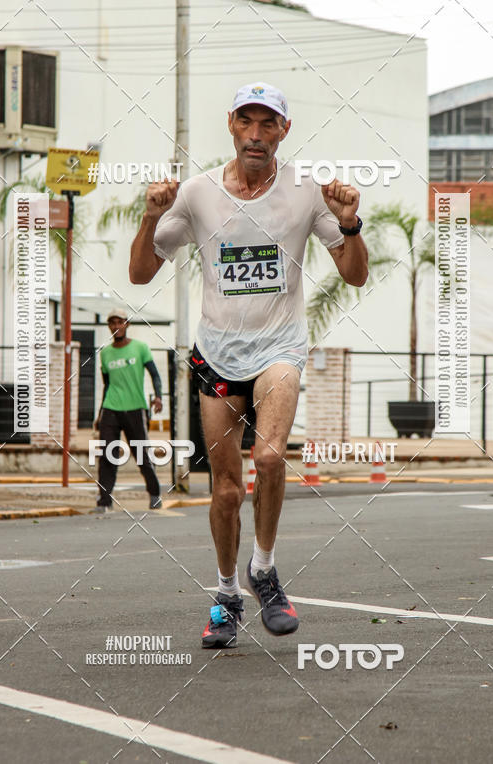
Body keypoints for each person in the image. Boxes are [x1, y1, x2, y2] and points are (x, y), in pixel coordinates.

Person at [129, 82, 368, 647]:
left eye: (268, 124)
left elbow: (355, 275)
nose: (256, 135)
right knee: (227, 491)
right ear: (232, 125)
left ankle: (264, 568)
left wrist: (350, 223)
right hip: (216, 355)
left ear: (284, 130)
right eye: (247, 122)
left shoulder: (307, 193)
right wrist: (150, 217)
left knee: (268, 455)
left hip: (279, 348)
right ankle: (227, 595)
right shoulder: (198, 193)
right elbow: (140, 274)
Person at [94, 308, 164, 512]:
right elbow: (107, 385)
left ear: (127, 324)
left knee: (141, 455)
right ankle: (104, 501)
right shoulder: (105, 353)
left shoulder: (140, 348)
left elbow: (155, 375)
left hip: (135, 408)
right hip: (111, 408)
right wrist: (100, 414)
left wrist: (158, 396)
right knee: (107, 454)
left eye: (120, 322)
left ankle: (154, 494)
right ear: (109, 326)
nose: (116, 326)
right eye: (112, 323)